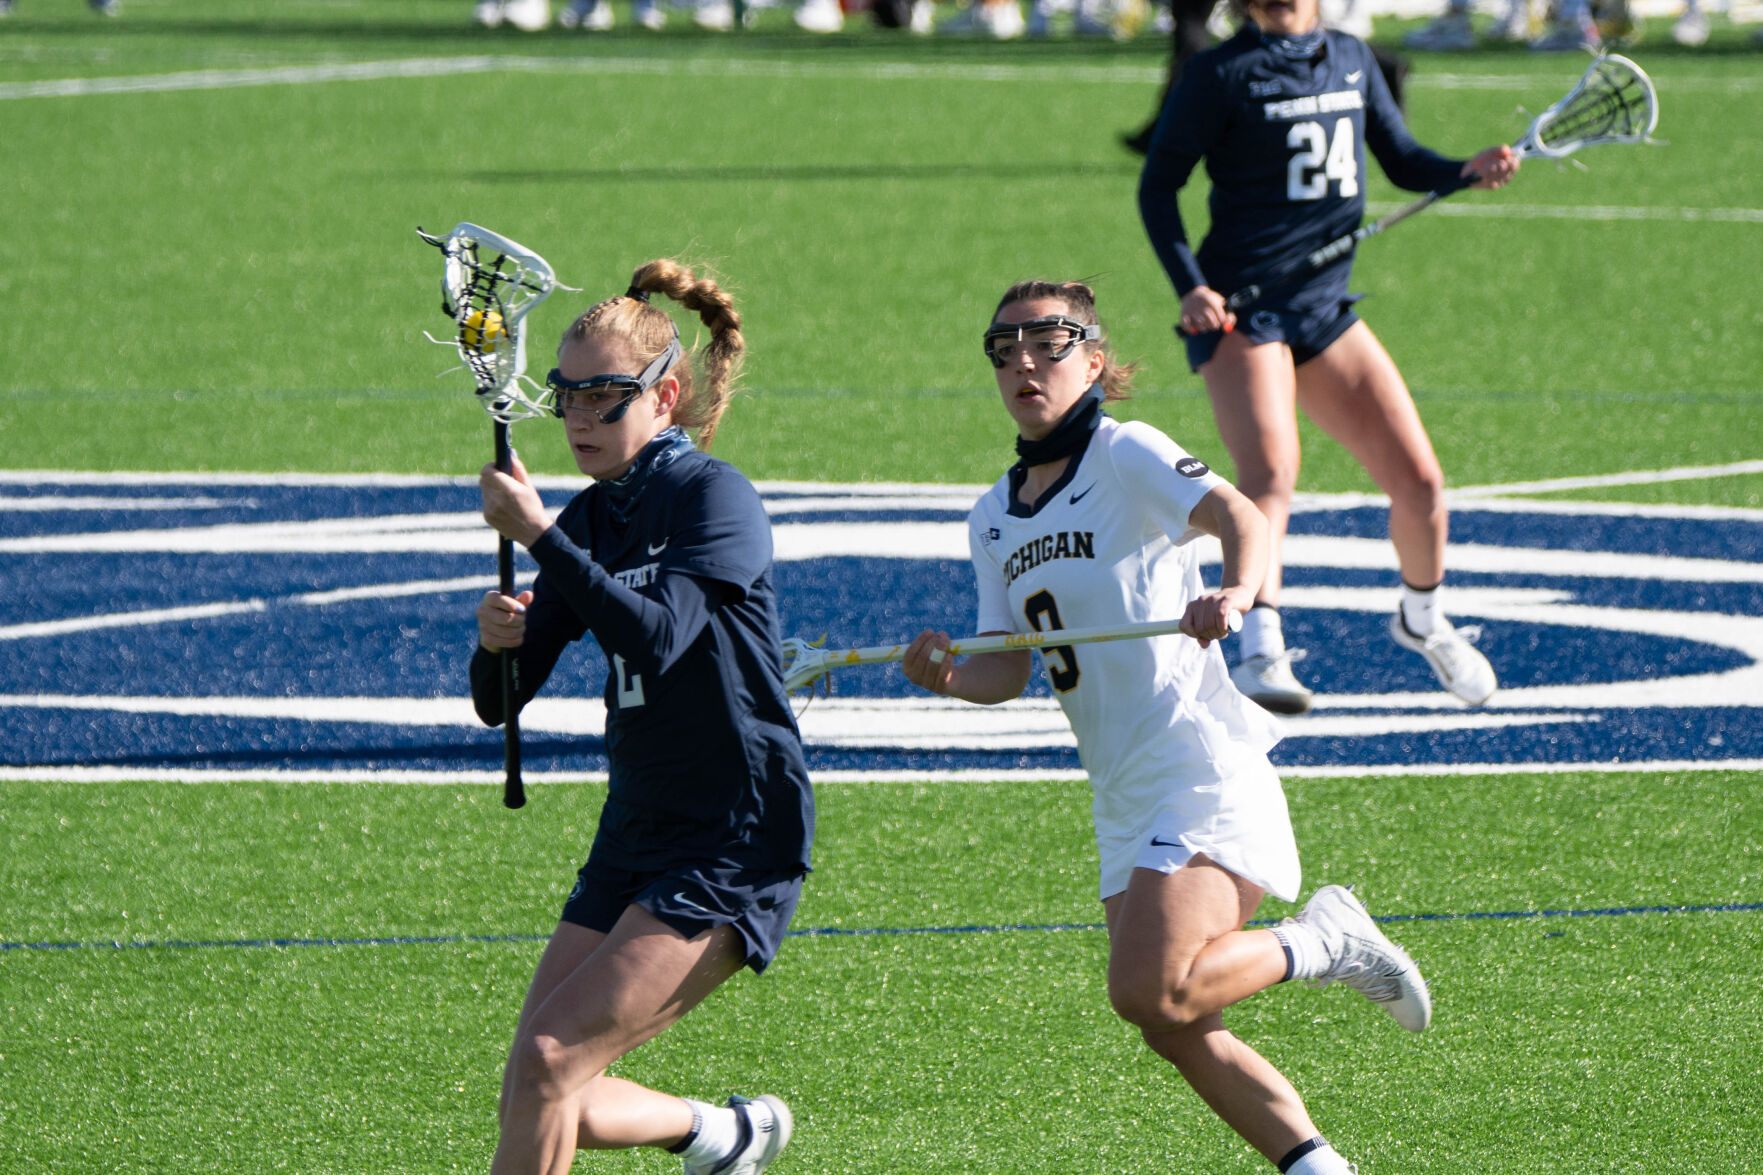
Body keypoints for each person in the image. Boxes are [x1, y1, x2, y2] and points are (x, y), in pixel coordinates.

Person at [902, 279, 1434, 1175]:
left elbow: (1242, 513)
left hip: (1195, 761)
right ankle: (1316, 1165)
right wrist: (948, 676)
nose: (1024, 361)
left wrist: (1234, 588)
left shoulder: (1123, 453)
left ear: (1095, 360)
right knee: (1170, 1020)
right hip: (1118, 788)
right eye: (1004, 346)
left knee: (1150, 989)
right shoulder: (992, 517)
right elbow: (1008, 665)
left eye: (1049, 341)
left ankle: (1325, 940)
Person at [471, 259, 811, 1175]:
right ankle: (723, 1134)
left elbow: (662, 636)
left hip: (732, 830)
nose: (579, 416)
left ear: (664, 396)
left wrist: (539, 536)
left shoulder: (712, 496)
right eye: (565, 394)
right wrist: (495, 642)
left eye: (603, 396)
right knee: (539, 1086)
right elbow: (498, 701)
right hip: (637, 827)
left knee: (551, 1061)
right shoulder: (589, 519)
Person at [1138, 0, 1516, 714]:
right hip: (1241, 308)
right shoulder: (1218, 73)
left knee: (1421, 483)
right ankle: (1258, 647)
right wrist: (1191, 286)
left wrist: (1461, 170)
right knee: (1271, 473)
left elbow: (1402, 160)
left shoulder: (1349, 56)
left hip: (1323, 307)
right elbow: (1157, 186)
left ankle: (1423, 619)